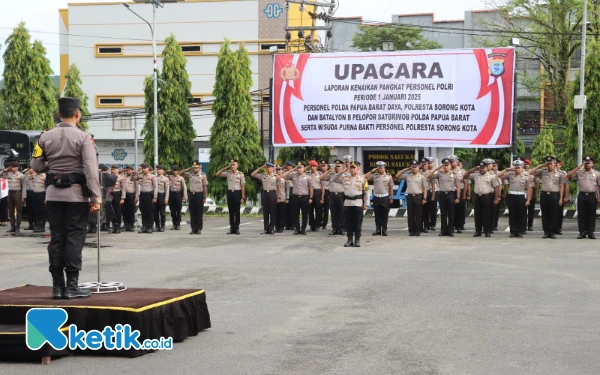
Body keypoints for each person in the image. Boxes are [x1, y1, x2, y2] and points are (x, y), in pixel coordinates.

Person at [30, 97, 101, 299]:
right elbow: (90, 169)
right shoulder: (83, 138)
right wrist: (96, 197)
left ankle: (57, 287)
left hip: (53, 195)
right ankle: (72, 286)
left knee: (56, 239)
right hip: (76, 197)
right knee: (73, 240)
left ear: (59, 114)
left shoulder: (44, 137)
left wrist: (53, 168)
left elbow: (35, 166)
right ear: (78, 114)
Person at [328, 162, 368, 247]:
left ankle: (357, 240)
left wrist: (366, 204)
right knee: (348, 222)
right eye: (351, 168)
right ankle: (349, 240)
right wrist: (342, 171)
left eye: (354, 168)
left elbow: (366, 193)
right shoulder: (345, 178)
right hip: (347, 203)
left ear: (358, 169)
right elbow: (334, 179)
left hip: (357, 203)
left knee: (358, 222)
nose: (352, 169)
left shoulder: (362, 179)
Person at [529, 156, 564, 239]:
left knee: (553, 214)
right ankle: (546, 232)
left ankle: (552, 232)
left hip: (554, 195)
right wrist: (540, 166)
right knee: (545, 214)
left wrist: (561, 198)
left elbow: (561, 186)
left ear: (555, 164)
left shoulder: (560, 174)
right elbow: (531, 172)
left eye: (550, 163)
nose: (549, 165)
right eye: (547, 164)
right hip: (544, 195)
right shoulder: (543, 172)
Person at [565, 156, 600, 239]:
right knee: (581, 215)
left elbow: (599, 186)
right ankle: (582, 232)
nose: (587, 164)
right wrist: (578, 167)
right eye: (585, 163)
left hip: (592, 196)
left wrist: (599, 197)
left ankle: (591, 232)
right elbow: (568, 176)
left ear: (593, 164)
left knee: (591, 215)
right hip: (582, 195)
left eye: (589, 163)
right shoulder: (579, 172)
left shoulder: (597, 173)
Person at [463, 160, 501, 237]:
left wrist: (496, 198)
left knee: (487, 214)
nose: (482, 169)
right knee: (477, 214)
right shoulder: (475, 175)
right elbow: (465, 176)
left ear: (487, 168)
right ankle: (478, 231)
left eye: (483, 168)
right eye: (480, 168)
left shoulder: (492, 176)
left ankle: (487, 231)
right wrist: (471, 170)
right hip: (477, 196)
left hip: (487, 196)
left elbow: (496, 188)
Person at [498, 160, 531, 237]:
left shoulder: (526, 175)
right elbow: (499, 176)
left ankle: (519, 231)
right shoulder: (510, 174)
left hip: (521, 196)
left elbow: (529, 189)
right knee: (512, 215)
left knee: (521, 215)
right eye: (516, 168)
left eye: (518, 168)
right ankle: (513, 231)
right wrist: (507, 169)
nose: (517, 169)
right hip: (512, 196)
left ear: (522, 167)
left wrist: (528, 200)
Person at [428, 158, 460, 236]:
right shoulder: (439, 173)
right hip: (442, 194)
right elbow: (429, 177)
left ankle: (450, 231)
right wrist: (436, 169)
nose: (446, 167)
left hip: (451, 194)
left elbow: (458, 186)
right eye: (444, 165)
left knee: (451, 214)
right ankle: (443, 231)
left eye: (447, 165)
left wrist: (458, 197)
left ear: (450, 165)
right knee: (443, 214)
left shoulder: (455, 174)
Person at [396, 161, 428, 236]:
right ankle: (411, 230)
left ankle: (418, 230)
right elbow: (397, 176)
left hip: (418, 197)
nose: (414, 168)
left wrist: (425, 198)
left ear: (418, 167)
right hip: (410, 196)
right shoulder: (408, 176)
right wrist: (405, 170)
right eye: (412, 167)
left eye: (415, 167)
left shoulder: (422, 177)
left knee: (418, 215)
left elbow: (425, 188)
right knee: (410, 215)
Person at [216, 159, 245, 235]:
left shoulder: (241, 174)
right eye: (231, 165)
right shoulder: (228, 173)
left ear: (237, 165)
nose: (232, 166)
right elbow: (217, 174)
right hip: (230, 193)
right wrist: (226, 167)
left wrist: (242, 197)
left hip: (237, 193)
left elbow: (242, 186)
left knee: (237, 212)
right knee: (231, 212)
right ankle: (232, 228)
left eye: (234, 164)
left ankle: (237, 228)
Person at [283, 162, 313, 235]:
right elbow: (283, 176)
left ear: (303, 169)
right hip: (295, 197)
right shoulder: (293, 176)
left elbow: (311, 188)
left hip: (305, 197)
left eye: (301, 168)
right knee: (295, 214)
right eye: (298, 168)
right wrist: (291, 170)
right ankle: (297, 229)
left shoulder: (308, 177)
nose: (299, 169)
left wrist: (311, 198)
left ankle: (303, 229)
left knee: (305, 214)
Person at [364, 161, 393, 236]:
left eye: (381, 168)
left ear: (384, 168)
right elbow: (365, 177)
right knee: (377, 215)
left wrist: (391, 197)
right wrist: (371, 171)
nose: (380, 169)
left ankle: (384, 230)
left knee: (384, 215)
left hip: (385, 197)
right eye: (379, 168)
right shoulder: (374, 175)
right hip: (376, 197)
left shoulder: (388, 176)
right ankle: (377, 229)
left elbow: (391, 188)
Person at [251, 162, 278, 234]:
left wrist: (278, 197)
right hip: (265, 193)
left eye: (269, 167)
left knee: (272, 212)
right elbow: (253, 174)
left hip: (272, 194)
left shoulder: (276, 176)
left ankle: (271, 228)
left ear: (273, 168)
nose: (268, 169)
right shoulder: (263, 176)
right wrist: (260, 168)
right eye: (267, 167)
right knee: (265, 212)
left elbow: (279, 187)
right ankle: (266, 229)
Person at [183, 160, 208, 235]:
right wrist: (187, 169)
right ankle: (193, 229)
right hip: (191, 195)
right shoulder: (190, 174)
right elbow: (181, 174)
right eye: (193, 168)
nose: (195, 169)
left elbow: (205, 187)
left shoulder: (203, 175)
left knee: (199, 213)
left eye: (196, 168)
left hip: (199, 195)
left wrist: (204, 197)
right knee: (192, 213)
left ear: (199, 168)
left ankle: (199, 228)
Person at [1, 161, 26, 233]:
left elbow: (24, 186)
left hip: (17, 193)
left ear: (17, 167)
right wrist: (5, 170)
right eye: (12, 167)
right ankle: (12, 226)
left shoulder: (21, 175)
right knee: (11, 211)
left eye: (15, 167)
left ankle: (18, 226)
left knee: (18, 210)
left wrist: (23, 197)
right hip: (10, 193)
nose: (13, 169)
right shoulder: (9, 174)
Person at [324, 160, 345, 235]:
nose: (337, 167)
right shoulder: (331, 174)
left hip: (341, 194)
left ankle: (341, 229)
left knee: (341, 212)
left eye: (339, 166)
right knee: (333, 213)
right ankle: (334, 228)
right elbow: (322, 178)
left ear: (342, 166)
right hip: (332, 194)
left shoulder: (345, 174)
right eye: (336, 166)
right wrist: (329, 170)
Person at [137, 163, 158, 234]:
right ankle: (144, 226)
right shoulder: (140, 176)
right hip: (142, 195)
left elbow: (155, 187)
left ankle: (150, 227)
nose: (143, 169)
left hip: (149, 195)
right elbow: (132, 179)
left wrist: (155, 197)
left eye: (144, 168)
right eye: (142, 168)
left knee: (150, 212)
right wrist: (138, 171)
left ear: (148, 169)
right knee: (143, 211)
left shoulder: (152, 176)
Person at [449, 155, 466, 233]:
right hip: (450, 191)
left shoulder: (462, 171)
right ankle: (451, 225)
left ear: (457, 162)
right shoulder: (446, 171)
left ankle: (459, 225)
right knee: (451, 210)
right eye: (450, 161)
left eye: (453, 161)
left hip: (460, 191)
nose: (452, 163)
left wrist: (465, 194)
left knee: (459, 210)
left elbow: (466, 183)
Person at [168, 165, 187, 230]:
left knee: (178, 210)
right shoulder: (170, 177)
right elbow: (164, 173)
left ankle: (178, 224)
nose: (174, 171)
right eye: (173, 170)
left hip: (178, 195)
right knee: (172, 210)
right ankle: (174, 224)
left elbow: (184, 188)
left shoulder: (181, 178)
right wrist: (168, 171)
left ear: (178, 171)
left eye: (175, 170)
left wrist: (184, 197)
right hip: (171, 195)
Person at [107, 165, 125, 234]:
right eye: (112, 169)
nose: (113, 170)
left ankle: (118, 227)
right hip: (110, 194)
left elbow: (123, 188)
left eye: (115, 169)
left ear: (118, 169)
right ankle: (113, 226)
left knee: (118, 211)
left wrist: (122, 198)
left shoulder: (121, 177)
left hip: (118, 194)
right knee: (111, 211)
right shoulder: (109, 177)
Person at [307, 160, 324, 232]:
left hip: (317, 192)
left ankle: (317, 225)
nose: (312, 168)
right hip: (309, 193)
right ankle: (311, 225)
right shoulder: (307, 175)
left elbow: (323, 186)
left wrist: (322, 197)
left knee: (318, 210)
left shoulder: (320, 175)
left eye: (314, 166)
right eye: (311, 166)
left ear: (317, 167)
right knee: (310, 210)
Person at [122, 165, 139, 232]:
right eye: (127, 170)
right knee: (124, 212)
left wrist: (136, 197)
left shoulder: (134, 178)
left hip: (131, 196)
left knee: (131, 212)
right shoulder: (124, 177)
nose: (128, 171)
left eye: (129, 170)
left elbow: (137, 189)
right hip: (124, 196)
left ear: (132, 170)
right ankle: (126, 225)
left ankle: (131, 225)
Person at [523, 159, 538, 231]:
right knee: (523, 209)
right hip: (523, 190)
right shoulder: (521, 171)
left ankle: (530, 225)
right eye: (525, 164)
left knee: (531, 210)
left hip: (532, 190)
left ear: (530, 165)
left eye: (527, 164)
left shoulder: (533, 172)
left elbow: (537, 183)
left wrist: (537, 193)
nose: (526, 165)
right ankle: (524, 225)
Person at [153, 165, 170, 232]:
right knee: (155, 212)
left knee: (162, 212)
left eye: (160, 169)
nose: (158, 170)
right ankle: (157, 226)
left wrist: (166, 199)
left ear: (163, 170)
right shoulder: (154, 178)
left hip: (162, 195)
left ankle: (162, 226)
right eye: (157, 169)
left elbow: (167, 189)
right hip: (155, 196)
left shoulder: (165, 179)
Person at [555, 159, 568, 235]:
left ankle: (558, 228)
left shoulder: (563, 173)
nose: (556, 166)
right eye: (555, 165)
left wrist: (566, 196)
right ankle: (552, 228)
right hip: (552, 193)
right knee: (551, 212)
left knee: (559, 213)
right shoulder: (549, 172)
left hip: (560, 194)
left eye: (557, 165)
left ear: (560, 165)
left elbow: (566, 186)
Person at [426, 157, 438, 230]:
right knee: (426, 209)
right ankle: (427, 224)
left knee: (433, 209)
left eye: (430, 163)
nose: (429, 165)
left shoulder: (436, 171)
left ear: (433, 163)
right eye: (428, 163)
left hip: (435, 191)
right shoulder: (423, 171)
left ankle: (433, 224)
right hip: (426, 191)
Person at [275, 165, 288, 233]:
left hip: (282, 197)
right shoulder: (273, 178)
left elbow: (287, 188)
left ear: (282, 170)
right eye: (277, 169)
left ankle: (281, 227)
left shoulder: (284, 179)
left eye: (279, 169)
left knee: (282, 213)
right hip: (274, 197)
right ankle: (276, 226)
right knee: (275, 213)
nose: (278, 171)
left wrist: (287, 197)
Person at [284, 160, 295, 230]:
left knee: (293, 209)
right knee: (286, 209)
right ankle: (287, 224)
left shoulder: (295, 173)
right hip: (285, 190)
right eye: (288, 166)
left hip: (292, 190)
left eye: (290, 166)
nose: (289, 167)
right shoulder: (284, 172)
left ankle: (293, 224)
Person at [319, 160, 330, 229]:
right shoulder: (318, 173)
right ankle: (319, 222)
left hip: (327, 191)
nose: (323, 167)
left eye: (324, 166)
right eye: (322, 166)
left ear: (327, 167)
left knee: (326, 209)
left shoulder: (330, 174)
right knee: (318, 208)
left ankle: (324, 223)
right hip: (318, 191)